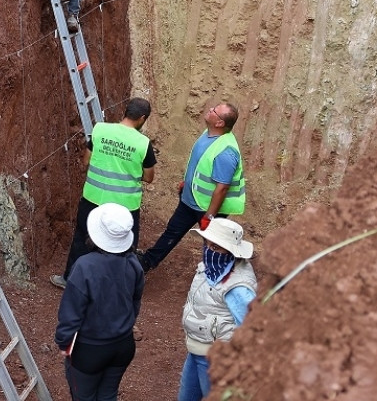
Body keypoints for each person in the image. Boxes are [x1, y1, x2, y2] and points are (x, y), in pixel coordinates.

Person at [51, 98, 156, 289]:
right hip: (125, 204)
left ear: (126, 111)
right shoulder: (143, 143)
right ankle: (122, 286)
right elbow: (149, 177)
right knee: (125, 245)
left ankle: (70, 278)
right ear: (142, 118)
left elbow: (86, 160)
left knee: (82, 237)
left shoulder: (100, 129)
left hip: (94, 197)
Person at [137, 101, 244, 273]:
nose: (210, 109)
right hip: (190, 200)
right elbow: (200, 165)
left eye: (214, 111)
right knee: (172, 232)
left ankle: (217, 275)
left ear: (220, 123)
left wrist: (209, 216)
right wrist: (187, 184)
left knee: (213, 244)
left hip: (207, 209)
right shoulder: (208, 134)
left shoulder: (226, 152)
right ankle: (147, 262)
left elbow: (222, 188)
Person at [55, 203, 145, 401]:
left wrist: (64, 342)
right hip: (123, 346)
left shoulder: (85, 266)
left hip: (89, 351)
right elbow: (135, 301)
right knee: (108, 395)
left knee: (83, 397)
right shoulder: (133, 263)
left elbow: (71, 313)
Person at [177, 217, 257, 401]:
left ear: (231, 252)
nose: (209, 251)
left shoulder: (238, 287)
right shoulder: (211, 268)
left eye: (216, 248)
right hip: (196, 350)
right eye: (208, 244)